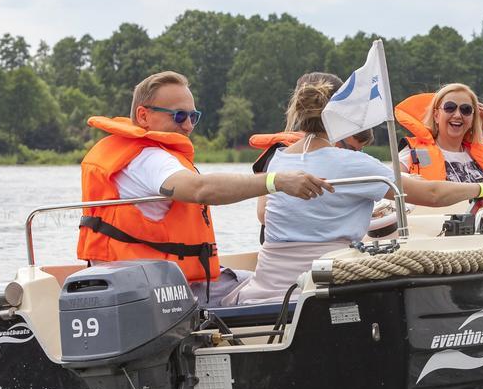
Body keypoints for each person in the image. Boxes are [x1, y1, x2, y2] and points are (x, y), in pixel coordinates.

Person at [224, 74, 483, 305]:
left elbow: (266, 216)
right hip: (317, 294)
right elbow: (433, 196)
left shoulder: (278, 159)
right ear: (345, 115)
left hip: (261, 294)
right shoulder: (356, 164)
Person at [78, 70, 332, 306]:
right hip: (168, 290)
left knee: (263, 279)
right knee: (297, 291)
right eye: (179, 116)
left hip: (147, 281)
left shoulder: (135, 155)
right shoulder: (150, 160)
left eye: (193, 116)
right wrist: (276, 181)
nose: (188, 125)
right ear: (144, 116)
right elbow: (200, 189)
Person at [396, 83, 483, 183]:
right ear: (436, 115)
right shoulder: (411, 153)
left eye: (466, 109)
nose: (457, 115)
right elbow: (390, 189)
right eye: (450, 108)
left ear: (473, 118)